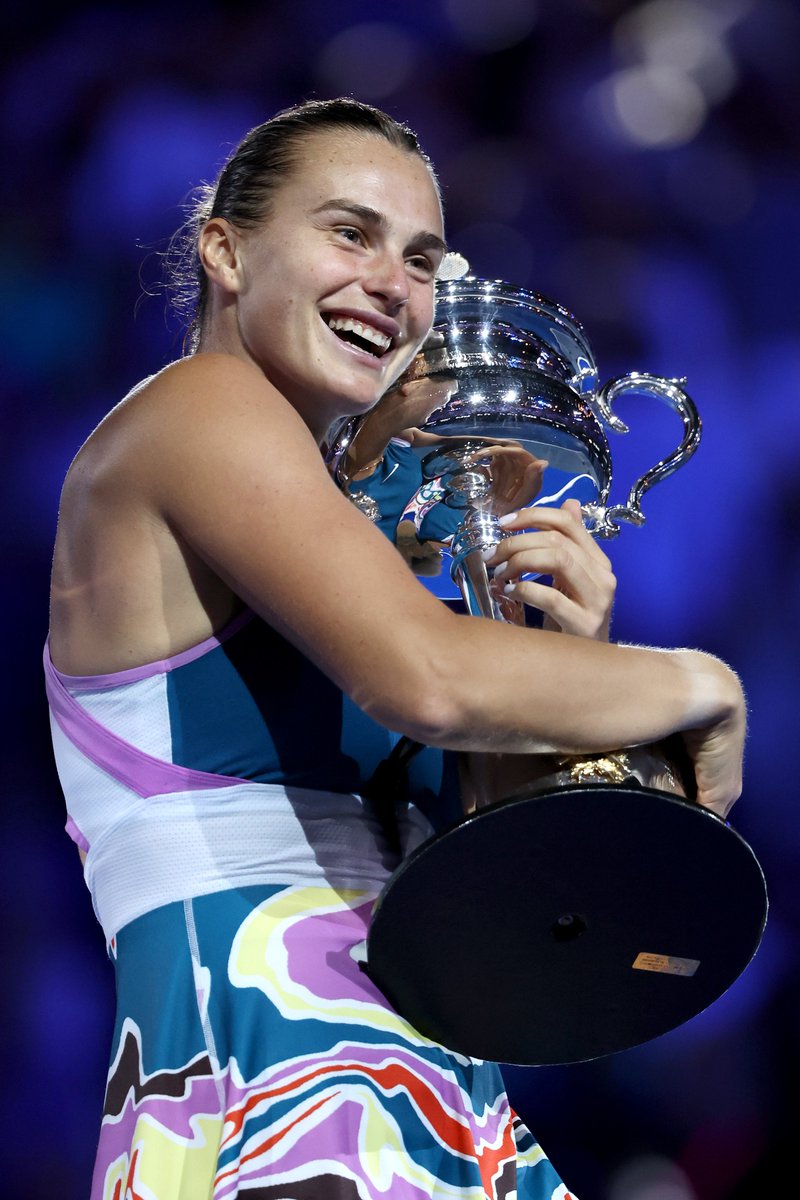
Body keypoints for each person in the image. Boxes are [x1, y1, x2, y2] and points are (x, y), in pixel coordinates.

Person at [45, 98, 745, 1200]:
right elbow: (427, 682)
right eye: (349, 233)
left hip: (417, 1083)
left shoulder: (364, 540)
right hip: (278, 1080)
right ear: (224, 250)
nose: (393, 283)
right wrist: (693, 684)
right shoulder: (198, 409)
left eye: (420, 257)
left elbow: (518, 886)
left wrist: (561, 652)